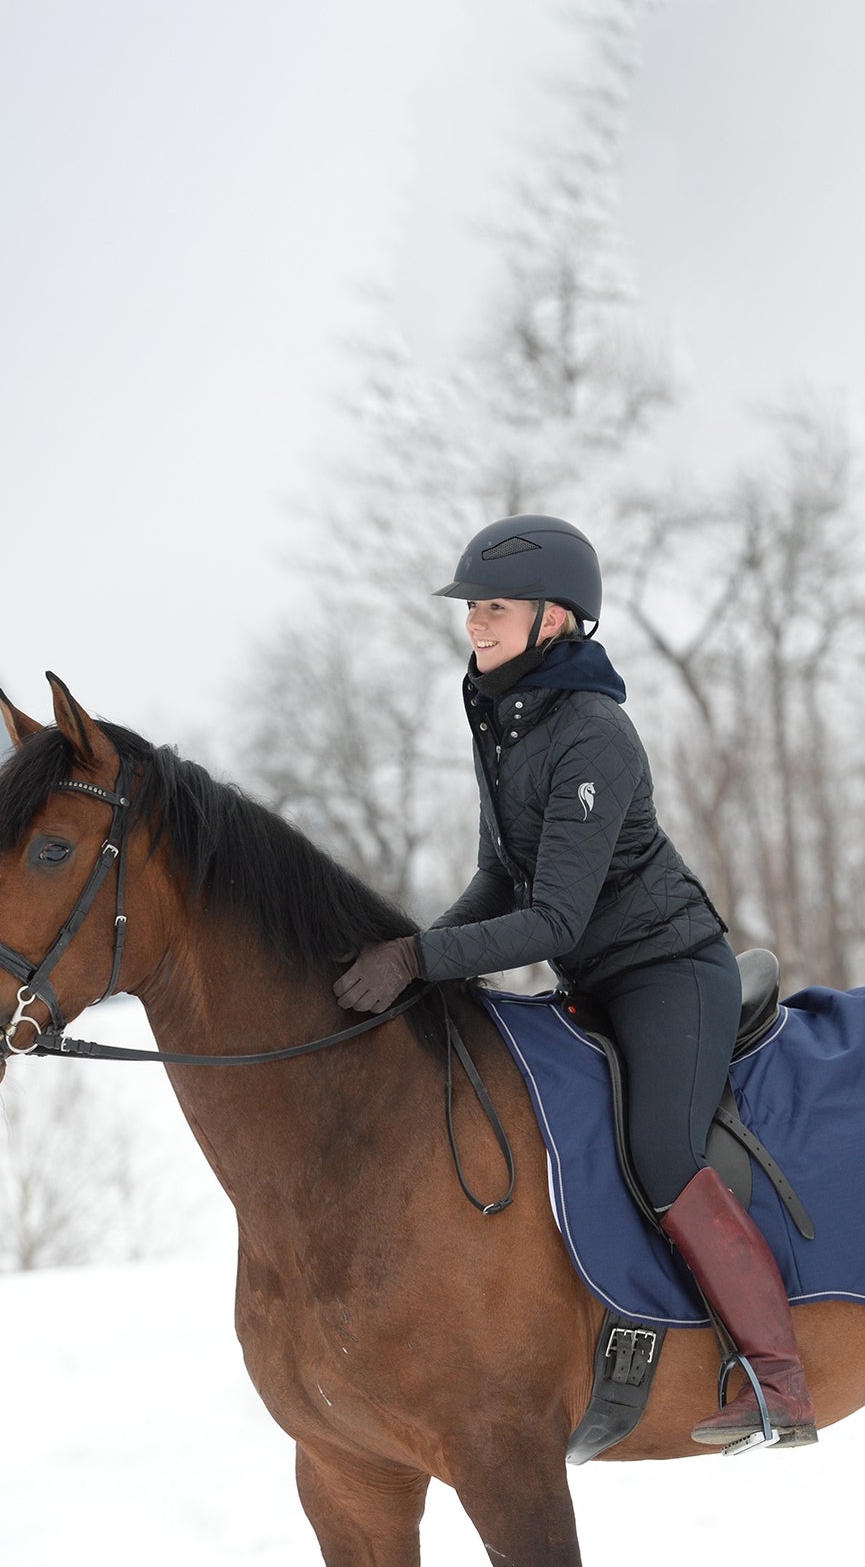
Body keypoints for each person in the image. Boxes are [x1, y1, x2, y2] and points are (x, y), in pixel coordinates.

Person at [333, 514, 816, 1448]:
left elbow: (552, 917)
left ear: (554, 619)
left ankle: (780, 1380)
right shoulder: (496, 714)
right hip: (592, 978)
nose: (475, 623)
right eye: (472, 607)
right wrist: (413, 955)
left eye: (495, 608)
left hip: (667, 971)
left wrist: (421, 961)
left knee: (660, 1153)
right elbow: (497, 877)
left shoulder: (594, 732)